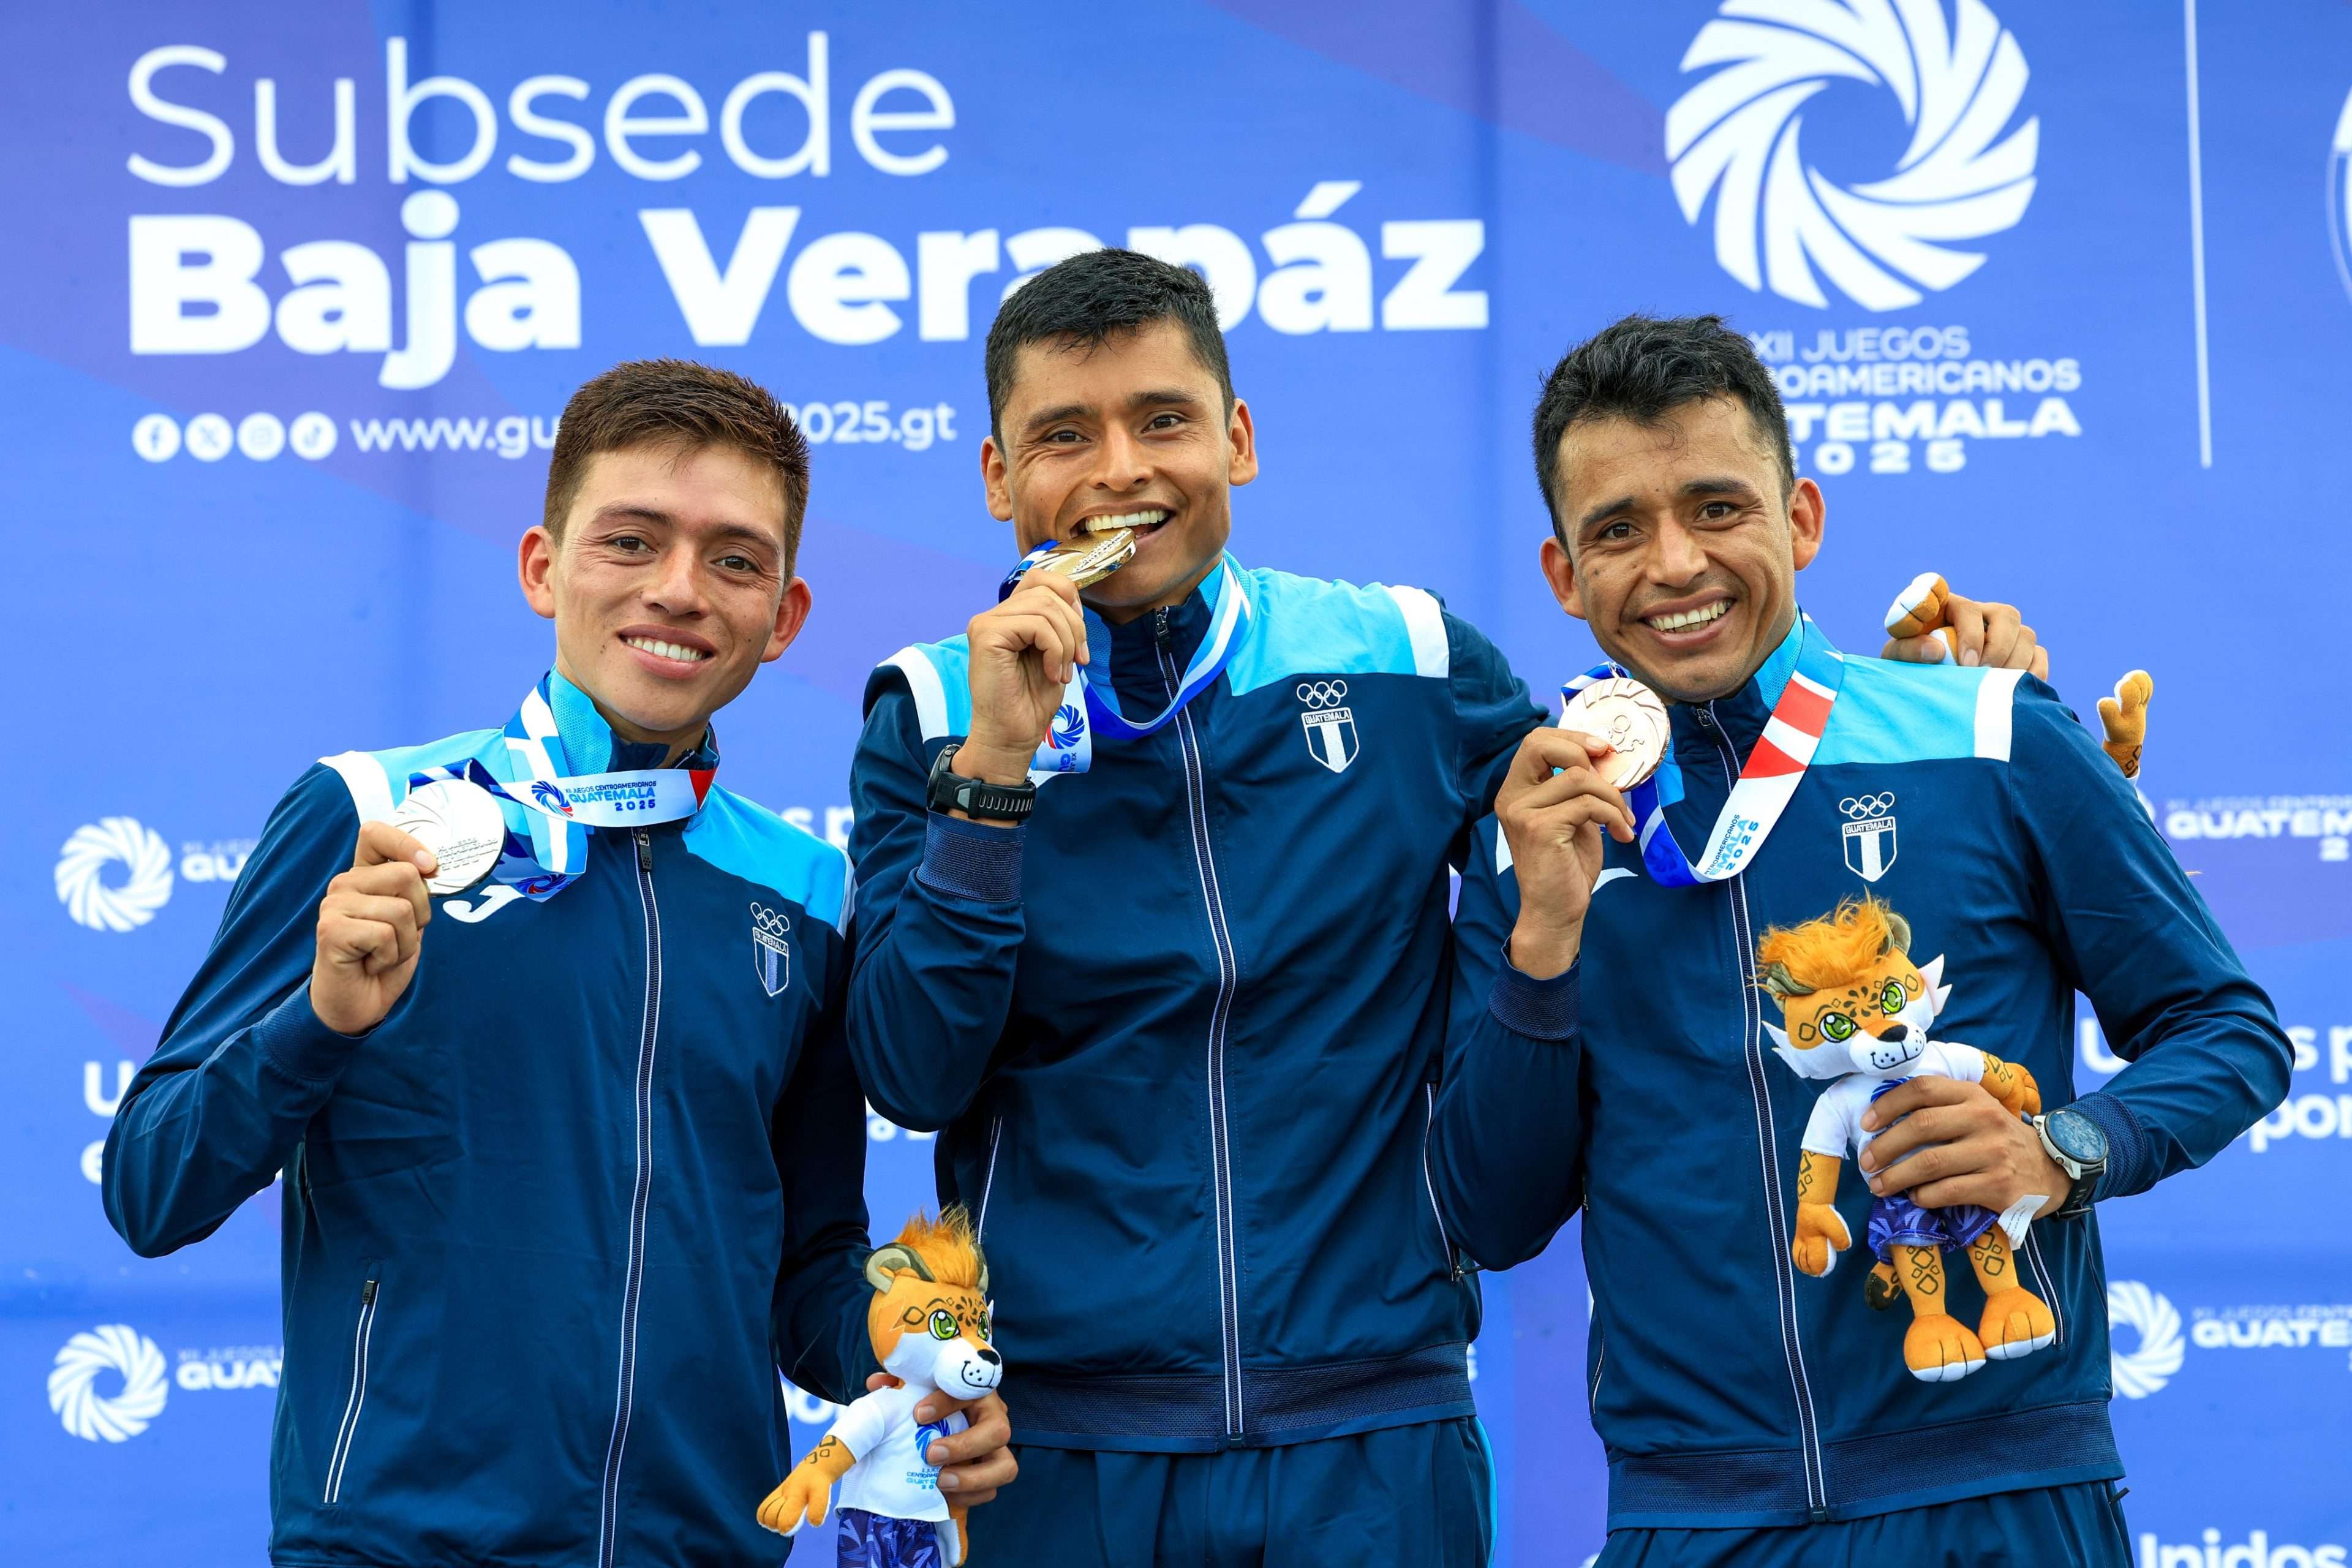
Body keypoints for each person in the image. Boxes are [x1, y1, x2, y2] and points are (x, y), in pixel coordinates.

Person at [840, 251, 2041, 1566]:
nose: (1121, 470)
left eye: (1164, 420)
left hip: (1375, 1435)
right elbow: (912, 1070)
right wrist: (996, 778)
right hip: (1067, 1449)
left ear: (1237, 441)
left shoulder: (1409, 661)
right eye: (1064, 435)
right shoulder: (934, 713)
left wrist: (1938, 719)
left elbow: (1660, 799)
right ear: (999, 478)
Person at [102, 361, 1013, 1568]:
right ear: (543, 566)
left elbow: (803, 1271)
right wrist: (316, 1022)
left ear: (783, 615)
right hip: (399, 1547)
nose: (679, 590)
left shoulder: (806, 892)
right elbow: (152, 1187)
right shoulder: (374, 812)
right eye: (631, 540)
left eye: (734, 558)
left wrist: (909, 1361)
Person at [1427, 314, 2292, 1566]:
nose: (1674, 563)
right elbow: (1492, 1212)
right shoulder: (1544, 823)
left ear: (1802, 522)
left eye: (1718, 507)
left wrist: (2061, 1147)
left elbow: (2227, 1027)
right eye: (1618, 528)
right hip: (1697, 1515)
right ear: (1565, 574)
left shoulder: (1991, 731)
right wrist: (1545, 943)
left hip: (1999, 1498)